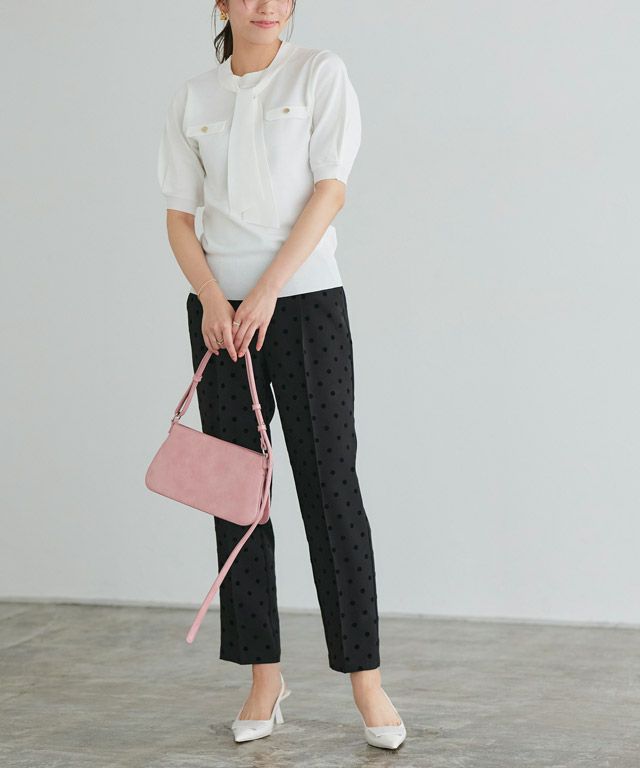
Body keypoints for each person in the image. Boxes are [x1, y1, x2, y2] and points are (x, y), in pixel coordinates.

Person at [157, 0, 406, 750]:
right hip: (218, 317)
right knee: (236, 498)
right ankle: (263, 677)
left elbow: (331, 188)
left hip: (304, 304)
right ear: (222, 4)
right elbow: (179, 215)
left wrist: (266, 290)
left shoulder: (318, 73)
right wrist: (213, 297)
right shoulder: (193, 97)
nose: (268, 4)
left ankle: (366, 682)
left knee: (331, 489)